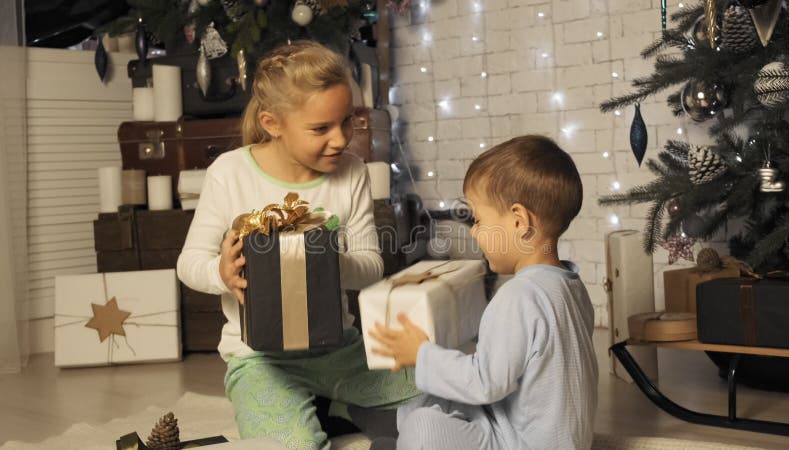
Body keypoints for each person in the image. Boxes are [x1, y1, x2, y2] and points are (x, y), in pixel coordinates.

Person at [177, 40, 417, 449]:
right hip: (258, 359)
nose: (340, 139)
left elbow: (372, 266)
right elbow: (189, 263)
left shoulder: (353, 173)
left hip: (338, 348)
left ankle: (337, 406)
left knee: (438, 394)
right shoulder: (229, 173)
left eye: (347, 121)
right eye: (321, 129)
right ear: (273, 124)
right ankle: (322, 408)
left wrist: (331, 263)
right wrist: (221, 272)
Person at [370, 135, 598, 450]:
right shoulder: (572, 286)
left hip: (519, 443)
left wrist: (421, 353)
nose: (474, 231)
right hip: (552, 437)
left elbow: (485, 383)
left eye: (478, 219)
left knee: (425, 425)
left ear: (519, 221)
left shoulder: (519, 296)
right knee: (439, 391)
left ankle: (404, 440)